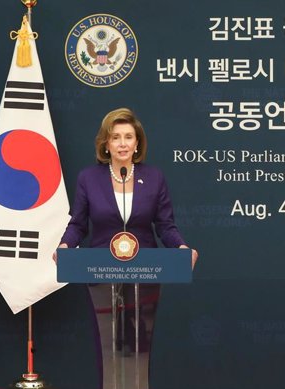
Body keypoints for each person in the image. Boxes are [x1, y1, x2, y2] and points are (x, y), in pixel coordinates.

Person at [57, 107, 197, 352]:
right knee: (107, 346)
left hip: (145, 273)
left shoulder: (154, 177)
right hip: (100, 274)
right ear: (106, 144)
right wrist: (65, 246)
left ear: (137, 143)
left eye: (128, 137)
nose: (122, 143)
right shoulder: (88, 178)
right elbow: (78, 224)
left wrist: (182, 248)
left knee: (139, 346)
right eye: (115, 137)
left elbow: (165, 224)